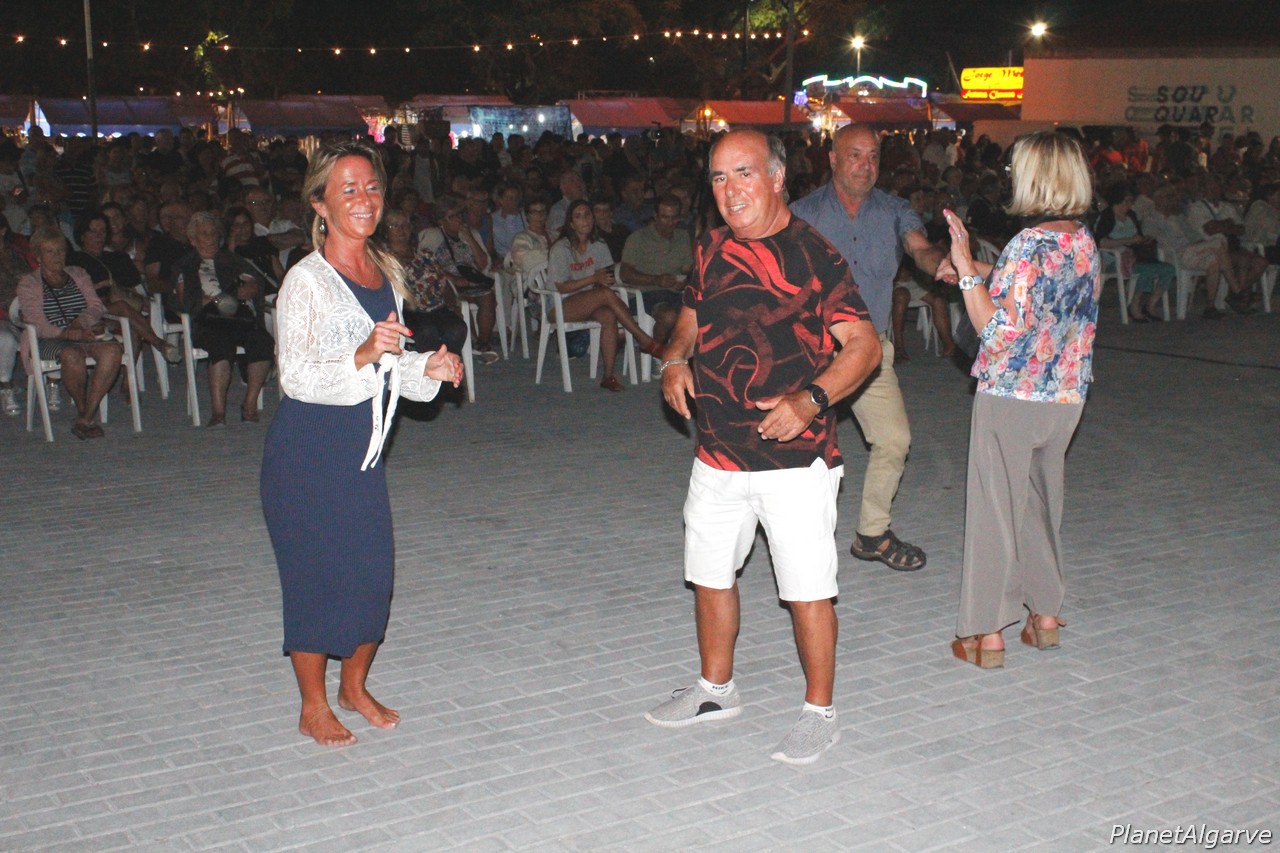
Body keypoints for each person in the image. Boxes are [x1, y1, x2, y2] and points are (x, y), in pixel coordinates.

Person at [646, 130, 881, 765]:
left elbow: (864, 347)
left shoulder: (814, 254)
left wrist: (810, 400)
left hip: (795, 458)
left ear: (777, 178)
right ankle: (715, 691)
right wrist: (674, 359)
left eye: (743, 174)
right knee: (709, 574)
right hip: (718, 450)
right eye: (719, 178)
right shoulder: (711, 248)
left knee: (806, 588)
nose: (730, 191)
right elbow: (691, 317)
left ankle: (819, 711)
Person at [261, 141, 463, 747]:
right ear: (319, 204)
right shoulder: (306, 281)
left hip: (363, 455)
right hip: (308, 454)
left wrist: (428, 368)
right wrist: (364, 352)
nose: (364, 199)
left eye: (371, 187)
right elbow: (297, 378)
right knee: (315, 582)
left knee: (373, 579)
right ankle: (313, 705)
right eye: (347, 189)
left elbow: (388, 365)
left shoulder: (385, 272)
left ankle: (354, 686)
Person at [935, 131, 1101, 668]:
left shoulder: (1028, 244)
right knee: (1039, 504)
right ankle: (1045, 616)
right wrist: (982, 273)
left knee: (994, 512)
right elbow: (1046, 294)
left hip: (1012, 396)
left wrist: (966, 268)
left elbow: (997, 332)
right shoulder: (1081, 240)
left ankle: (986, 633)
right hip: (1066, 397)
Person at [791, 123, 938, 572]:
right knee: (796, 447)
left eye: (873, 156)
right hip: (813, 353)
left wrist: (943, 264)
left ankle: (872, 534)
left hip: (871, 352)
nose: (865, 165)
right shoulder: (802, 214)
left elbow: (920, 249)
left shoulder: (895, 210)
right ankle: (791, 535)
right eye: (855, 155)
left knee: (894, 440)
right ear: (833, 159)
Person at [16, 227, 124, 439]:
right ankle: (84, 412)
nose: (57, 256)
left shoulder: (78, 274)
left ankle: (85, 417)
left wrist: (80, 323)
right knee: (72, 355)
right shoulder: (29, 283)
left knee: (113, 350)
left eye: (61, 250)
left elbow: (96, 306)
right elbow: (38, 324)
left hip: (83, 331)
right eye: (50, 251)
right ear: (38, 256)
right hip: (50, 338)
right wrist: (68, 333)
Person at [546, 199, 663, 392]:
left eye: (587, 215)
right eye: (578, 217)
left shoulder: (598, 245)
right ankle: (643, 339)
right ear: (571, 224)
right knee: (605, 295)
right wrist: (593, 278)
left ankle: (608, 376)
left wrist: (601, 280)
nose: (585, 220)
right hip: (560, 304)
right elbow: (561, 287)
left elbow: (607, 278)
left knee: (608, 315)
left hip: (590, 300)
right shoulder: (561, 248)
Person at [173, 211, 274, 425]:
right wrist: (221, 300)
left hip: (239, 317)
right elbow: (185, 299)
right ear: (193, 239)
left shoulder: (232, 260)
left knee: (263, 342)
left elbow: (252, 286)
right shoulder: (186, 265)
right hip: (208, 320)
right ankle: (218, 412)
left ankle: (249, 404)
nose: (211, 238)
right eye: (204, 234)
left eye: (214, 233)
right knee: (220, 344)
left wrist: (233, 296)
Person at [619, 194, 693, 348]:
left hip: (676, 292)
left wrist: (685, 281)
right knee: (668, 316)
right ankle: (656, 352)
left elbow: (688, 270)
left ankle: (682, 354)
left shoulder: (682, 236)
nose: (670, 222)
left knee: (703, 311)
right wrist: (655, 279)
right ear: (656, 216)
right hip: (646, 293)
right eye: (665, 217)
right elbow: (625, 274)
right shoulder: (639, 238)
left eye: (674, 218)